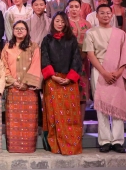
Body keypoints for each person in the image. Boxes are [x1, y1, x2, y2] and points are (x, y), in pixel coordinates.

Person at [84, 4, 126, 153]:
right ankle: (105, 141)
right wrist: (104, 72)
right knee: (102, 107)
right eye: (102, 13)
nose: (105, 15)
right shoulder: (91, 33)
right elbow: (90, 55)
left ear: (112, 15)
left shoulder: (120, 33)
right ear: (97, 15)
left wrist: (119, 71)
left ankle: (117, 141)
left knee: (117, 106)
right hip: (99, 71)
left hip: (118, 71)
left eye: (108, 13)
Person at [41, 13, 83, 155]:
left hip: (69, 81)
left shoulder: (72, 40)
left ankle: (71, 144)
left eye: (62, 21)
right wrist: (53, 76)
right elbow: (44, 58)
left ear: (66, 23)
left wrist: (70, 78)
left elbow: (77, 59)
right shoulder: (47, 40)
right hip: (52, 80)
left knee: (70, 114)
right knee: (53, 114)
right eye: (57, 21)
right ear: (53, 23)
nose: (59, 24)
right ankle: (55, 145)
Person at [2, 20, 41, 153]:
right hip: (13, 88)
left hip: (29, 89)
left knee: (28, 121)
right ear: (13, 31)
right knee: (14, 121)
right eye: (17, 28)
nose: (19, 31)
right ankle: (14, 147)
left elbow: (36, 65)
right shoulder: (8, 46)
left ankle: (28, 147)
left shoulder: (33, 46)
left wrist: (26, 82)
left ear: (27, 31)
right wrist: (13, 81)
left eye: (22, 29)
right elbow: (4, 66)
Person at [67, 0, 92, 120]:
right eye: (71, 6)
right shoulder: (64, 23)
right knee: (68, 92)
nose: (74, 9)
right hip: (67, 63)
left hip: (83, 63)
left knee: (82, 94)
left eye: (76, 6)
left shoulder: (87, 24)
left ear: (80, 8)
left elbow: (92, 43)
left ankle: (80, 124)